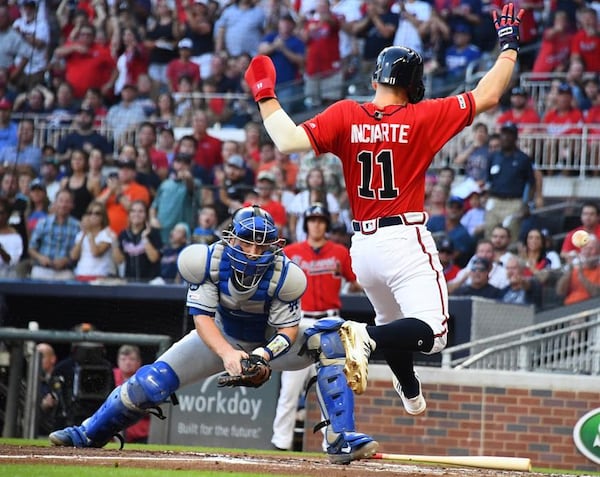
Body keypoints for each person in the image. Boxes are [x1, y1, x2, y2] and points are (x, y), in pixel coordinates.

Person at [245, 0, 524, 429]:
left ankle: (409, 390)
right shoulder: (422, 116)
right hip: (403, 239)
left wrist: (265, 94)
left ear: (377, 77)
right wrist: (508, 44)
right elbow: (488, 94)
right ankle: (362, 336)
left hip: (364, 250)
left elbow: (285, 140)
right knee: (432, 333)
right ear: (413, 85)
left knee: (398, 326)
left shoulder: (344, 113)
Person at [48, 206, 386, 463]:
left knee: (330, 337)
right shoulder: (206, 262)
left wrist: (262, 356)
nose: (254, 252)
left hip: (269, 341)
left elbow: (287, 329)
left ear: (274, 246)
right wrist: (228, 355)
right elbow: (203, 319)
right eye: (246, 243)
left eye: (261, 245)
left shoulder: (288, 274)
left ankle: (339, 437)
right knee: (150, 383)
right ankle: (89, 432)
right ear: (232, 238)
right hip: (218, 338)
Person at [271, 204, 362, 452]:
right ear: (306, 224)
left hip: (331, 323)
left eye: (321, 220)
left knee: (330, 388)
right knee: (290, 387)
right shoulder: (291, 252)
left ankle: (330, 442)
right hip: (300, 322)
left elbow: (356, 282)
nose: (317, 224)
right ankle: (281, 443)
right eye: (312, 220)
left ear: (326, 224)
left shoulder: (340, 252)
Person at [48, 323, 115, 430]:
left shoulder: (106, 367)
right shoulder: (63, 368)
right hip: (68, 420)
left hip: (96, 418)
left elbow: (110, 396)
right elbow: (53, 398)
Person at [28, 189, 80, 280]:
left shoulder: (77, 226)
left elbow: (79, 251)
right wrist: (40, 258)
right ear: (55, 203)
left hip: (65, 271)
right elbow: (31, 248)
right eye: (61, 201)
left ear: (72, 205)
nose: (63, 205)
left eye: (67, 202)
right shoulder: (43, 223)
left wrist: (67, 260)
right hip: (42, 269)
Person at [113, 200, 162, 282]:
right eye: (133, 211)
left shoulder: (153, 232)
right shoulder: (124, 234)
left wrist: (145, 239)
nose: (136, 214)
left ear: (146, 215)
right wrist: (114, 243)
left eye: (140, 211)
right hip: (129, 281)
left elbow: (154, 258)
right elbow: (119, 260)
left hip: (150, 282)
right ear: (129, 214)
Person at [113, 345, 149, 444]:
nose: (127, 363)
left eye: (132, 359)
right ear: (118, 361)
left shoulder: (146, 377)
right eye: (123, 359)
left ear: (139, 362)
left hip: (139, 432)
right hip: (112, 430)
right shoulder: (111, 375)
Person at [70, 201, 115, 282]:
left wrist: (89, 233)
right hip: (81, 274)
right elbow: (73, 256)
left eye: (97, 213)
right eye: (90, 213)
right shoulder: (81, 234)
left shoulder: (107, 233)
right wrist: (84, 234)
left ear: (103, 217)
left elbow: (95, 252)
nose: (93, 216)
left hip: (100, 276)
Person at [556, 235, 600, 306]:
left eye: (591, 248)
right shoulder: (574, 270)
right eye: (585, 248)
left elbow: (597, 293)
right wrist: (570, 269)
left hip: (590, 307)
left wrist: (581, 276)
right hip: (569, 307)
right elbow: (560, 292)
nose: (587, 252)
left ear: (598, 252)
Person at [37, 342, 57, 436]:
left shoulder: (61, 378)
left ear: (52, 359)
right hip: (38, 431)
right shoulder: (28, 382)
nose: (37, 361)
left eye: (41, 357)